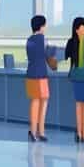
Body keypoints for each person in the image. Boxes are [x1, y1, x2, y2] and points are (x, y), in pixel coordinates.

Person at [64, 16, 84, 143]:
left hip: (76, 76)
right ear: (78, 29)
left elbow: (68, 58)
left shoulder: (71, 41)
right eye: (83, 26)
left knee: (78, 105)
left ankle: (78, 134)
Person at [25, 14, 54, 142]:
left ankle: (33, 131)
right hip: (41, 75)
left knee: (34, 102)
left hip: (30, 74)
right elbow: (49, 55)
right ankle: (40, 132)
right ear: (42, 26)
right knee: (43, 102)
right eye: (45, 25)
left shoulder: (29, 40)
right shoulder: (43, 39)